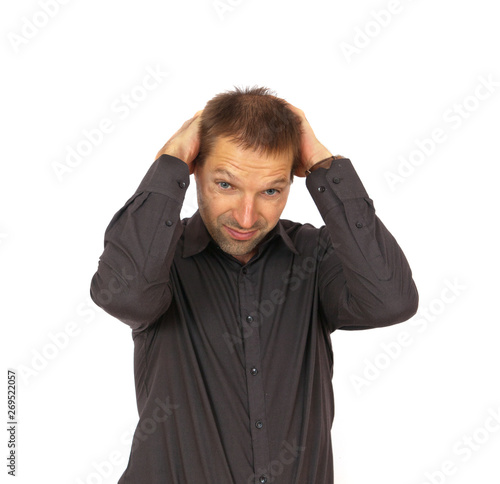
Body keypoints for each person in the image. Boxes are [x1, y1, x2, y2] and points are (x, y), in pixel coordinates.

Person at [90, 86, 418, 484]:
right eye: (225, 185)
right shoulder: (159, 260)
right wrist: (169, 160)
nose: (246, 217)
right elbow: (124, 294)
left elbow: (392, 301)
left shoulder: (315, 256)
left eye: (270, 191)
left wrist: (323, 164)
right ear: (194, 171)